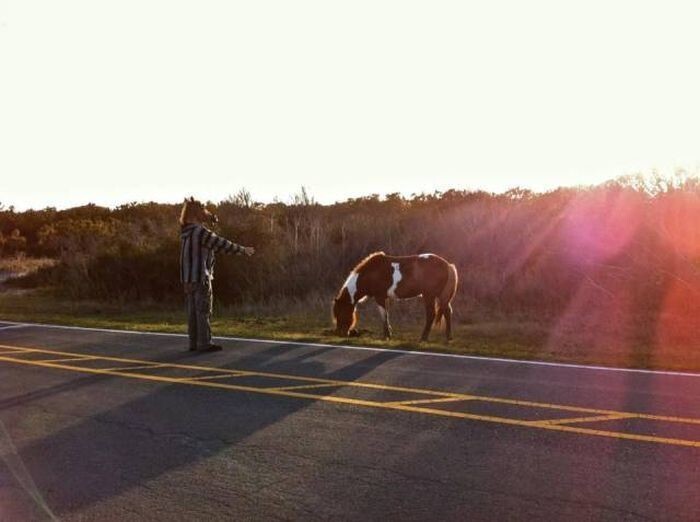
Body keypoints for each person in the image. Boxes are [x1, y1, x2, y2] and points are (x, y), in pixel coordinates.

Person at [179, 197, 255, 352]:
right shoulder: (200, 232)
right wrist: (242, 250)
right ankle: (204, 343)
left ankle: (193, 343)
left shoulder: (185, 233)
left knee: (192, 312)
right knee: (203, 311)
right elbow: (220, 243)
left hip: (187, 278)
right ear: (196, 213)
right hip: (201, 277)